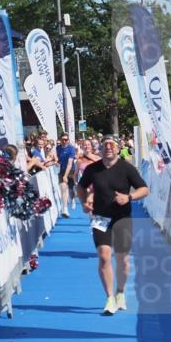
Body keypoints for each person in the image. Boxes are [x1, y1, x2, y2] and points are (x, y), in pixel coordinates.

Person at [76, 137, 149, 316]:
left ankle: (120, 292)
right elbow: (80, 187)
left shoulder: (127, 168)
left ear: (118, 149)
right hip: (100, 218)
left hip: (122, 218)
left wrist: (129, 197)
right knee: (104, 256)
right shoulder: (93, 169)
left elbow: (144, 189)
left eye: (112, 145)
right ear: (100, 149)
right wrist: (84, 202)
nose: (108, 148)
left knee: (122, 259)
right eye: (105, 145)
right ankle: (109, 297)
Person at [56, 133, 77, 217]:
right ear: (60, 140)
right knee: (63, 188)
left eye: (66, 140)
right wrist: (56, 162)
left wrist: (66, 175)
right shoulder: (58, 148)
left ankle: (72, 199)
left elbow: (69, 163)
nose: (64, 141)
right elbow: (57, 159)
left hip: (70, 171)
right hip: (61, 170)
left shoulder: (71, 149)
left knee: (71, 189)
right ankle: (65, 209)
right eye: (63, 139)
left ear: (68, 140)